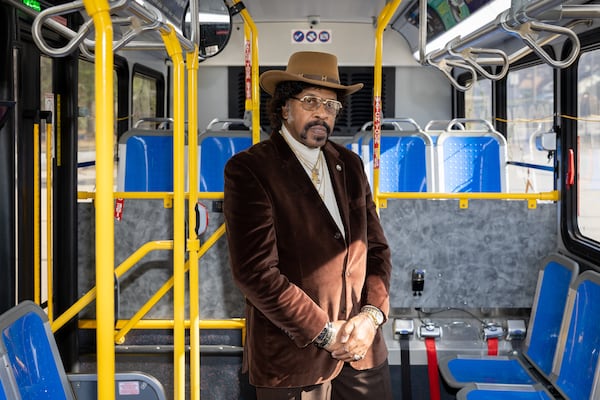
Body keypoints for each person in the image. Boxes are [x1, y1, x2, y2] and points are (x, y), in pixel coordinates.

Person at [223, 51, 393, 400]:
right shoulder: (250, 169)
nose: (322, 112)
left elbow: (375, 250)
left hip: (363, 350)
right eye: (311, 101)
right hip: (293, 360)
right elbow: (255, 273)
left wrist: (371, 317)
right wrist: (326, 334)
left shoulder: (350, 164)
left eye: (331, 105)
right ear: (284, 107)